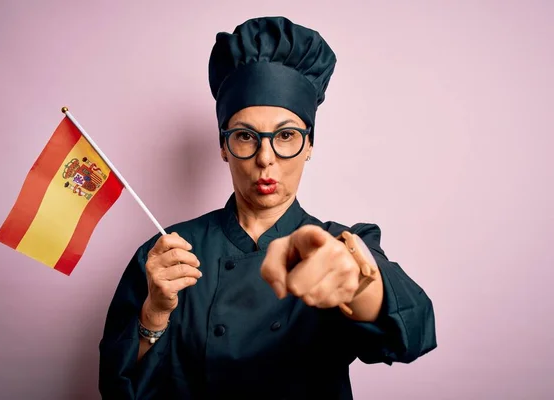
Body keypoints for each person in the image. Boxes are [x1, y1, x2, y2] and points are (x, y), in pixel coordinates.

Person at [99, 16, 437, 400]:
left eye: (286, 135)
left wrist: (358, 283)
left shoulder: (339, 246)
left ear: (309, 145)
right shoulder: (169, 253)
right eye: (245, 136)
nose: (266, 158)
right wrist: (154, 315)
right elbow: (117, 389)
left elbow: (416, 333)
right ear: (224, 147)